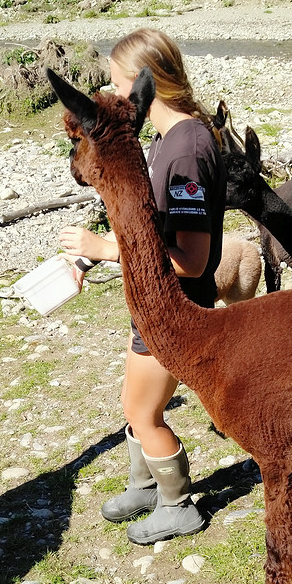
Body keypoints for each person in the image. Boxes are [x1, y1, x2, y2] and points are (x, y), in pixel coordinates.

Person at [58, 28, 226, 546]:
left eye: (114, 83)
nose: (108, 95)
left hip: (177, 308)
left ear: (142, 83)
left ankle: (177, 504)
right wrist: (96, 251)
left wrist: (106, 248)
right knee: (133, 402)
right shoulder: (162, 140)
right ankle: (145, 483)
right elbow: (147, 225)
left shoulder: (186, 151)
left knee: (143, 411)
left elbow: (191, 261)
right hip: (151, 305)